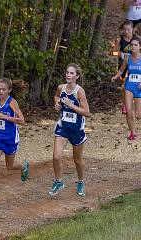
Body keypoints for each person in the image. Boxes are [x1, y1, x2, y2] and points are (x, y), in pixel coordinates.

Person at [0, 78, 29, 206]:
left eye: (4, 90)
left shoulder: (12, 103)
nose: (1, 92)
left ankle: (23, 167)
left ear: (9, 90)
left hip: (10, 138)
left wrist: (6, 117)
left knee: (10, 166)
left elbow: (22, 120)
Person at [49, 63, 90, 197]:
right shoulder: (61, 88)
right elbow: (56, 97)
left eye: (72, 73)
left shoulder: (79, 91)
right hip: (63, 126)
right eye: (67, 72)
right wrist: (57, 104)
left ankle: (80, 181)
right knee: (56, 156)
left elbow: (87, 112)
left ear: (77, 76)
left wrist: (71, 105)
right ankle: (59, 181)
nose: (68, 75)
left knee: (77, 159)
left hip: (77, 129)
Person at [112, 36, 141, 141]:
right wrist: (115, 76)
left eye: (135, 45)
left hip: (139, 88)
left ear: (140, 47)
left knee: (138, 115)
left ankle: (135, 110)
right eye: (131, 45)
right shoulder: (127, 57)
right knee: (128, 111)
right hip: (129, 85)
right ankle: (133, 132)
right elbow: (121, 70)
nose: (133, 47)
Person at [113, 20, 134, 114]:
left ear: (132, 30)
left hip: (134, 65)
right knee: (124, 86)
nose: (126, 32)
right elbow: (112, 53)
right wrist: (120, 54)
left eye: (128, 30)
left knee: (132, 85)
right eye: (124, 30)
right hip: (122, 66)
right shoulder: (119, 39)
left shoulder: (136, 39)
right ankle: (125, 104)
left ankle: (131, 102)